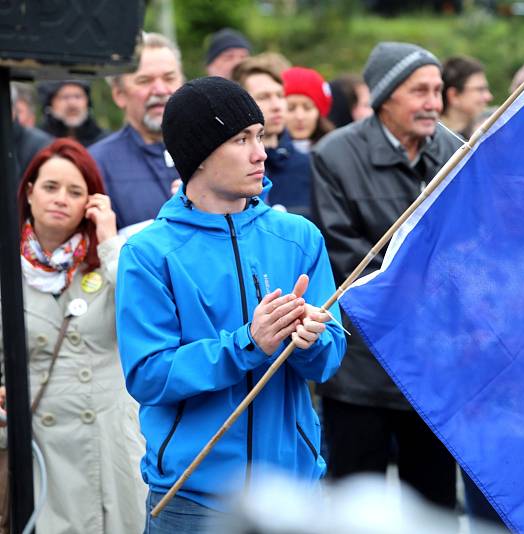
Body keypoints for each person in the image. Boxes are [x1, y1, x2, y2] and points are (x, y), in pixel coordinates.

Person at [115, 76, 345, 531]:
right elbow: (148, 375)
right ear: (198, 156)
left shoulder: (299, 237)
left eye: (259, 136)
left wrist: (310, 341)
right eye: (241, 139)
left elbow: (329, 360)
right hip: (193, 501)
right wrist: (247, 344)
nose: (260, 152)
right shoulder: (148, 253)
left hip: (294, 495)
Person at [311, 42, 460, 512]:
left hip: (433, 372)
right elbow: (342, 254)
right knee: (355, 511)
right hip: (360, 369)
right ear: (384, 96)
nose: (434, 103)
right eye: (420, 91)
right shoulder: (334, 156)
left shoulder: (457, 152)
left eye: (437, 90)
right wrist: (425, 283)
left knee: (433, 509)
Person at [0, 138, 146, 533]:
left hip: (113, 441)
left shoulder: (112, 258)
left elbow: (143, 314)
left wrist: (110, 237)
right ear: (29, 192)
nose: (60, 199)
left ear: (92, 201)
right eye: (50, 187)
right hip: (42, 450)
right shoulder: (6, 273)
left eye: (75, 191)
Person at [89, 32, 183, 230]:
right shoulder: (97, 164)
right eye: (144, 80)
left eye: (169, 78)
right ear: (119, 94)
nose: (159, 89)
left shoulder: (214, 151)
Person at [234, 56, 314, 218]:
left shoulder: (311, 166)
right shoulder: (229, 172)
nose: (277, 106)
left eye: (280, 95)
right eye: (263, 97)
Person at [37, 80, 107, 146]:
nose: (72, 103)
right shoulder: (38, 142)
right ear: (50, 104)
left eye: (78, 96)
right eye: (64, 97)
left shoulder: (103, 141)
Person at [282, 67, 334, 152]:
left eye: (307, 108)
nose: (299, 117)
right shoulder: (262, 155)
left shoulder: (335, 150)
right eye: (290, 108)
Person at [440, 56, 493, 139]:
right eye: (480, 89)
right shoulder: (432, 141)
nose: (489, 97)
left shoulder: (489, 128)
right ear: (454, 95)